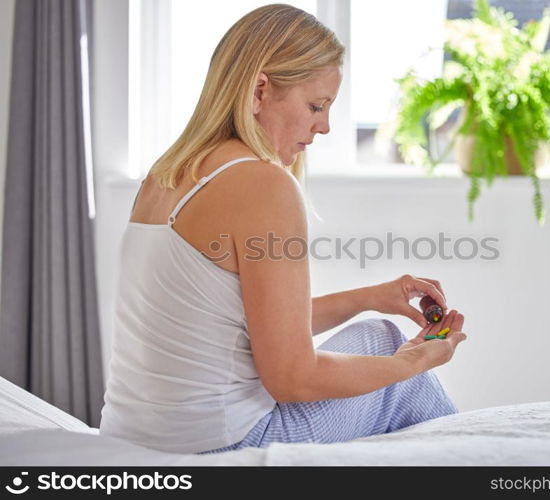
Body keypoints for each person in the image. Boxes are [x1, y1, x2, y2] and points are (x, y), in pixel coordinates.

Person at [98, 3, 468, 455]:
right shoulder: (262, 183)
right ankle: (485, 466)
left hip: (133, 439)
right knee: (390, 349)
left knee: (377, 334)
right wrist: (413, 362)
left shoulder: (164, 176)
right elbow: (294, 377)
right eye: (316, 105)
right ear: (259, 91)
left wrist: (367, 297)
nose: (326, 126)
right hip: (222, 444)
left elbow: (246, 325)